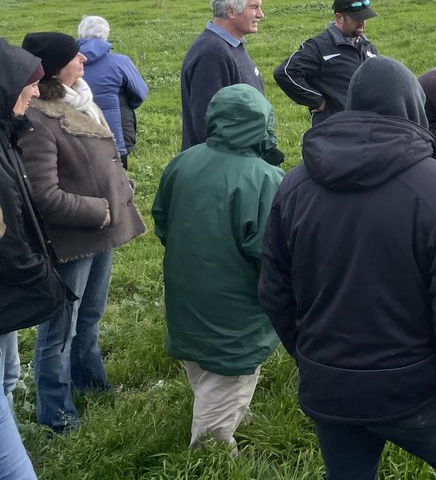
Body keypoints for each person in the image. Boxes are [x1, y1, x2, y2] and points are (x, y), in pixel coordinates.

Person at [258, 57, 436, 480]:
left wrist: (313, 359)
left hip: (328, 386)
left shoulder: (293, 183)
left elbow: (273, 290)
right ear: (412, 107)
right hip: (413, 389)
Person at [18, 32, 145, 433]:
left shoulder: (79, 100)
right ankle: (56, 413)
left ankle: (91, 384)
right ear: (56, 67)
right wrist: (100, 208)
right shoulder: (38, 117)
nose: (84, 62)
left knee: (89, 317)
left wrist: (119, 190)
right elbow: (42, 194)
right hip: (72, 241)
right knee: (59, 330)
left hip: (99, 232)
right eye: (76, 57)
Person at [152, 84, 285, 451]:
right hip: (236, 304)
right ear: (264, 123)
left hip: (185, 288)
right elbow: (273, 253)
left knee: (202, 363)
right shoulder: (265, 179)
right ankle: (210, 453)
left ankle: (227, 409)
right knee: (228, 369)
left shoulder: (184, 161)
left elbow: (162, 220)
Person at [0, 39, 67, 480]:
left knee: (7, 377)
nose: (33, 94)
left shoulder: (8, 132)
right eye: (26, 86)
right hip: (12, 282)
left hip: (8, 295)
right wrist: (39, 274)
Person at [180, 0, 264, 150]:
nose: (261, 14)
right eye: (254, 7)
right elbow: (208, 123)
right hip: (223, 165)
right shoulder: (212, 54)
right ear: (231, 11)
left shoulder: (229, 46)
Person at [273, 0, 379, 127]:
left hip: (366, 126)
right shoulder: (318, 46)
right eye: (356, 19)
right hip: (334, 130)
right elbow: (285, 73)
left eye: (365, 18)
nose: (362, 23)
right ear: (339, 18)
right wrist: (316, 100)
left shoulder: (367, 46)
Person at [77, 15, 149, 170]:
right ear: (106, 34)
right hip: (117, 133)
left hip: (78, 134)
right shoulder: (120, 62)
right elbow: (140, 93)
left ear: (80, 34)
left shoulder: (68, 64)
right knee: (120, 182)